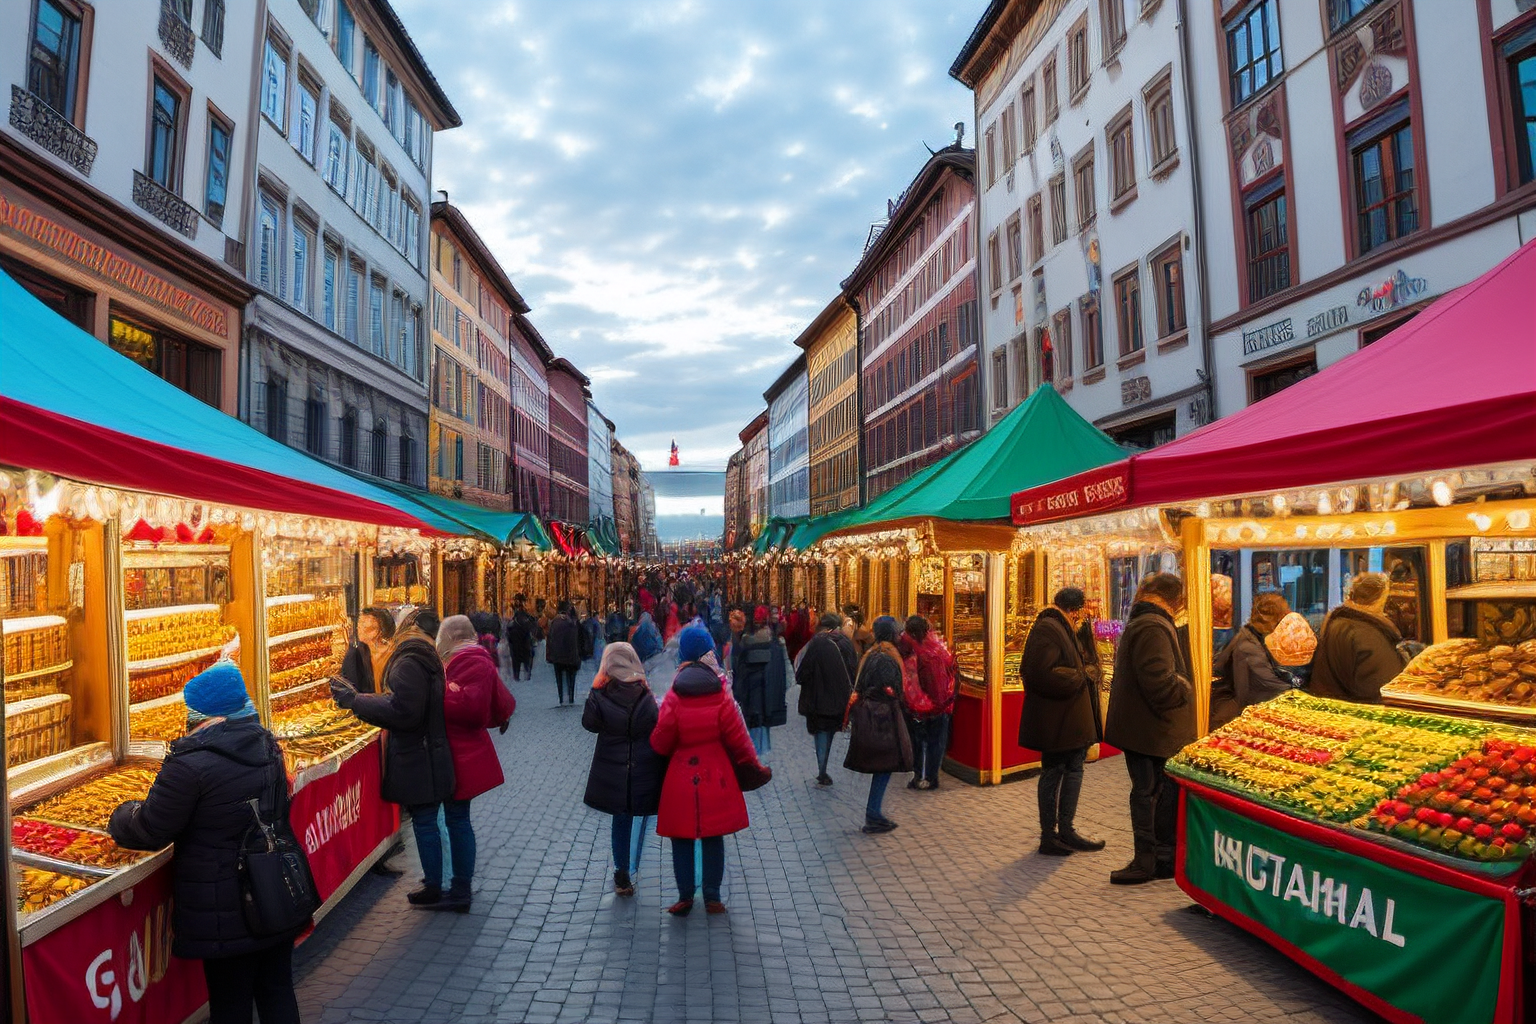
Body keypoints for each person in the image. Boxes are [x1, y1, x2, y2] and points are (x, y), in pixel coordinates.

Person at [110, 662, 307, 1024]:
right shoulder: (267, 744)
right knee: (276, 990)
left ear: (202, 714)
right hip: (273, 889)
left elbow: (153, 827)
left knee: (230, 1004)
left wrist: (121, 815)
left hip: (225, 905)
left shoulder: (190, 764)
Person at [330, 609, 456, 906]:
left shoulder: (409, 662)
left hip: (418, 755)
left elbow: (403, 711)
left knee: (425, 820)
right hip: (425, 752)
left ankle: (435, 884)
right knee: (428, 820)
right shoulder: (420, 658)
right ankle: (437, 880)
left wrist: (356, 700)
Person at [651, 626, 767, 916]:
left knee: (682, 837)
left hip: (680, 777)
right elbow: (738, 736)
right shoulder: (720, 692)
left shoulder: (675, 694)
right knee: (714, 835)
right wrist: (754, 765)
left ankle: (685, 896)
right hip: (717, 774)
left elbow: (660, 742)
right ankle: (713, 896)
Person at [1104, 573, 1196, 885]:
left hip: (1146, 729)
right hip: (1151, 731)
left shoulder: (1145, 622)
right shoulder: (1153, 626)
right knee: (1150, 794)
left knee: (1155, 793)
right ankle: (1147, 861)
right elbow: (1161, 685)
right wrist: (1186, 685)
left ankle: (1160, 859)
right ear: (1175, 601)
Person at [1018, 588, 1106, 856]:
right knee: (1054, 772)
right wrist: (1082, 675)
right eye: (1082, 613)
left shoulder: (1062, 628)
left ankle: (1066, 830)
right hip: (1057, 720)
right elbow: (1040, 672)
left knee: (1073, 769)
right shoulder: (1049, 628)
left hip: (1067, 719)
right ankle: (1050, 835)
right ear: (1075, 610)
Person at [582, 642, 664, 898]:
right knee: (638, 817)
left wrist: (594, 689)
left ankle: (622, 872)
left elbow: (589, 724)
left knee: (621, 820)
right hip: (640, 769)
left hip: (613, 773)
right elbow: (655, 724)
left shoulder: (601, 694)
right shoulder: (644, 694)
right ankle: (632, 863)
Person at [844, 616, 912, 833]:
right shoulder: (886, 657)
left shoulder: (871, 654)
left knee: (882, 766)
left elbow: (861, 684)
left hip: (872, 715)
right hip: (882, 719)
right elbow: (891, 689)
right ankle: (873, 814)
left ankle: (874, 812)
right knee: (884, 765)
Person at [1308, 572, 1406, 703]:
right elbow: (1382, 691)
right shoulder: (1369, 637)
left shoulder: (1338, 623)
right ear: (1380, 598)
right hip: (1360, 715)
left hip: (1333, 709)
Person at [1208, 592, 1295, 728]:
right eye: (1281, 619)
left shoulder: (1250, 636)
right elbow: (1266, 683)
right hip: (1232, 716)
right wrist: (1295, 689)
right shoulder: (1247, 647)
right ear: (1270, 618)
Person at [796, 612, 857, 787]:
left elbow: (802, 673)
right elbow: (853, 671)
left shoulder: (817, 643)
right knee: (830, 730)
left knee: (821, 731)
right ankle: (824, 766)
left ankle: (822, 769)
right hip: (839, 698)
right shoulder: (846, 643)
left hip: (818, 698)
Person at [899, 616, 957, 791]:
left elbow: (932, 685)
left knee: (920, 743)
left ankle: (921, 777)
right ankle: (930, 777)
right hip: (938, 706)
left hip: (923, 706)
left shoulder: (916, 652)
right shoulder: (939, 648)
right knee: (934, 743)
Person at [731, 606, 789, 754]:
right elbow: (780, 676)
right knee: (762, 734)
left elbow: (739, 673)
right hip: (767, 699)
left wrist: (738, 696)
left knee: (754, 736)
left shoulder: (744, 643)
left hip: (751, 698)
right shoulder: (774, 644)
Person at [340, 606, 395, 694]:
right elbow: (349, 686)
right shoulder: (356, 652)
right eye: (359, 624)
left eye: (364, 625)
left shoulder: (391, 654)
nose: (359, 628)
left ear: (378, 631)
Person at [545, 601, 583, 706]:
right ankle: (571, 697)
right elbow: (580, 640)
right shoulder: (574, 623)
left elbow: (550, 639)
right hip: (572, 655)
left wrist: (549, 655)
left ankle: (561, 697)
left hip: (557, 656)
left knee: (559, 678)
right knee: (571, 677)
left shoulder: (554, 623)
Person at [506, 594, 537, 682]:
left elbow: (508, 632)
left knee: (516, 660)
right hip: (525, 644)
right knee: (527, 658)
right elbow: (533, 628)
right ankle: (527, 674)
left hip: (516, 645)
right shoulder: (528, 617)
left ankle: (517, 675)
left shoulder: (513, 620)